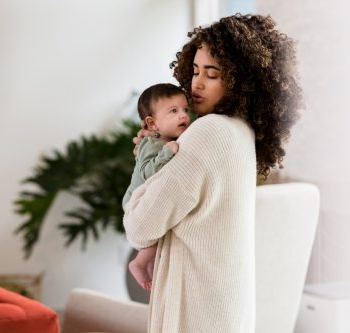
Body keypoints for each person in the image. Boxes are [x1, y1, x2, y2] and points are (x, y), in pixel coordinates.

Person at [124, 13, 302, 332]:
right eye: (194, 71)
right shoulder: (241, 132)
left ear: (240, 80)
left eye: (212, 74)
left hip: (196, 315)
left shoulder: (208, 132)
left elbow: (139, 227)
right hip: (225, 312)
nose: (197, 84)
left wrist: (143, 167)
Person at [122, 83, 191, 290]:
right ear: (152, 123)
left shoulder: (167, 137)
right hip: (136, 198)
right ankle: (138, 263)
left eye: (185, 110)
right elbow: (146, 173)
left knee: (160, 240)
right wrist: (166, 153)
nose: (183, 116)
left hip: (147, 196)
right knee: (155, 235)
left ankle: (151, 271)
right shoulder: (153, 144)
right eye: (173, 111)